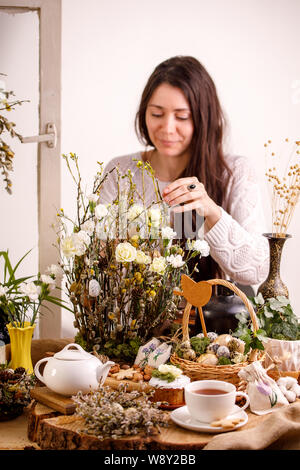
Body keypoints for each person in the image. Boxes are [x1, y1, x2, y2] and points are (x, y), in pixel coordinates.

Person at [99, 55, 269, 287]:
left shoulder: (235, 173)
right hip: (135, 321)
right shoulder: (119, 172)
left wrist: (211, 213)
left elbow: (257, 272)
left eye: (182, 117)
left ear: (203, 118)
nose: (168, 128)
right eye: (157, 114)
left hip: (208, 321)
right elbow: (100, 265)